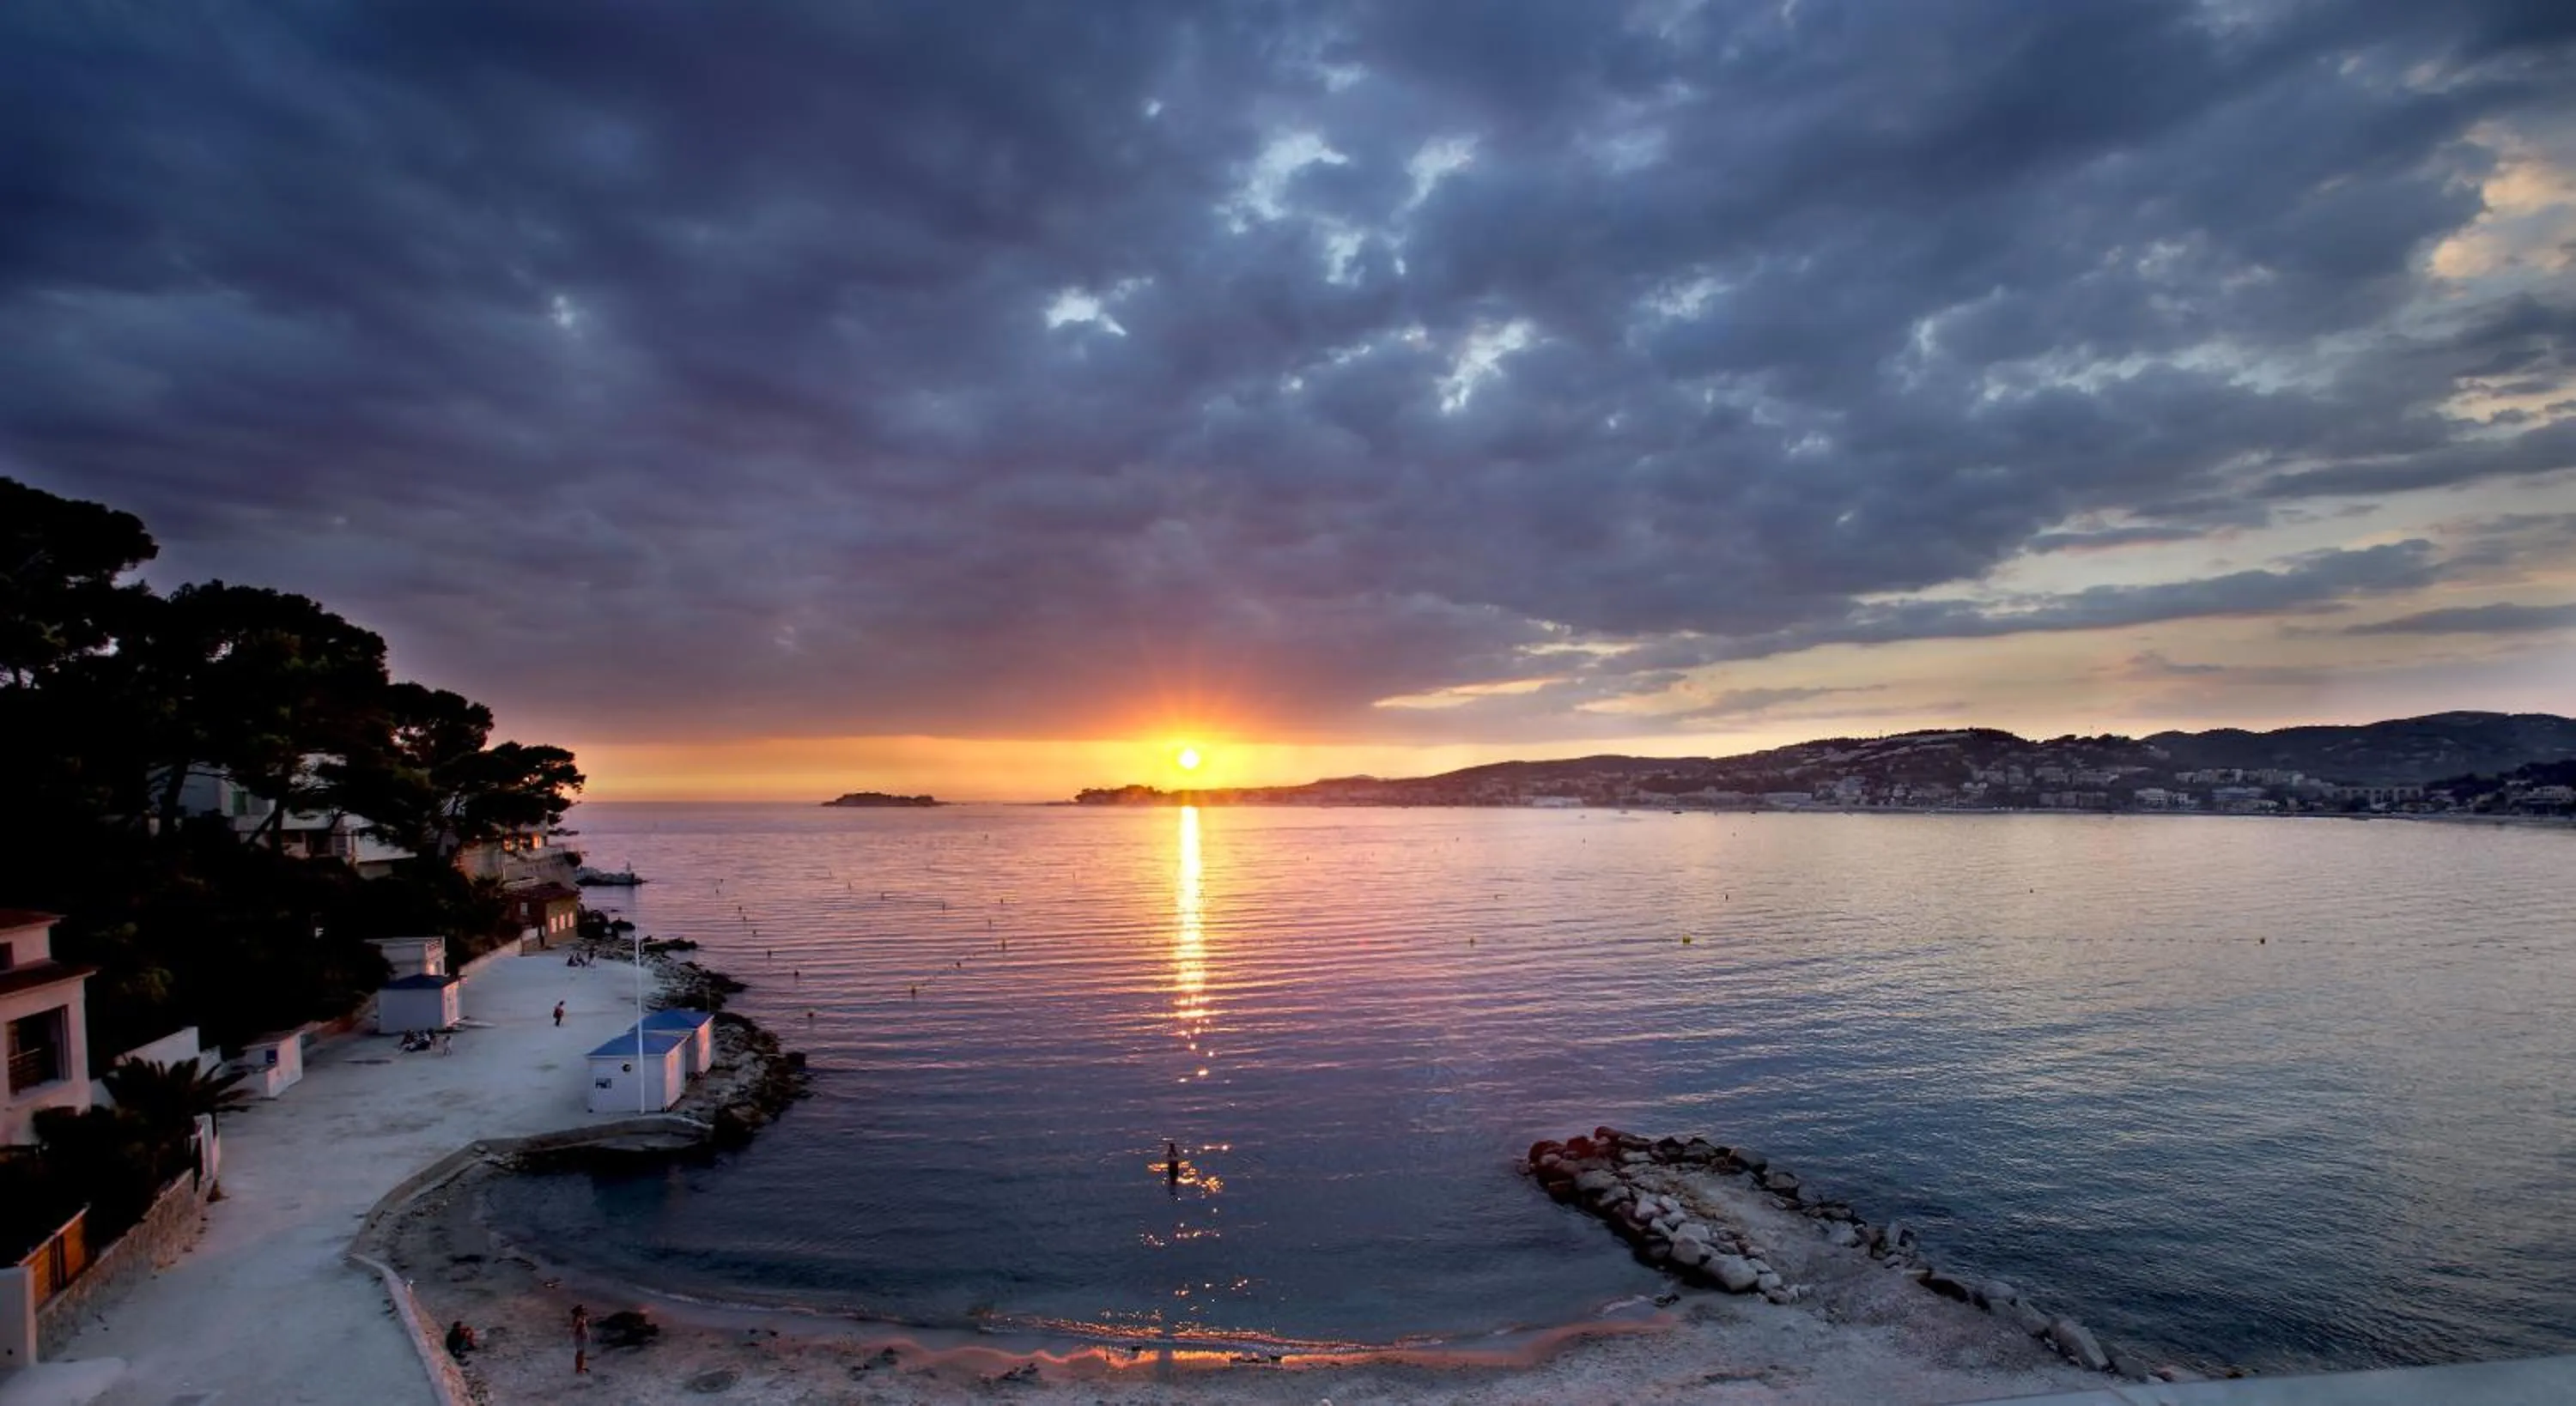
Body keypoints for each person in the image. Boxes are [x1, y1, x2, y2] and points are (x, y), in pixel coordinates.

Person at [571, 1304, 590, 1375]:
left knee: (582, 1352)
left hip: (581, 1337)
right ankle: (579, 1368)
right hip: (580, 1337)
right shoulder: (579, 1319)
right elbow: (575, 1329)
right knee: (580, 1352)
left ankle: (581, 1366)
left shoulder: (582, 1318)